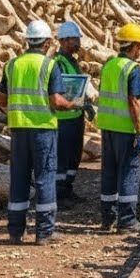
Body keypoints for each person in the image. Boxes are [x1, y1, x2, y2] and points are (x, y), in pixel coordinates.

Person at [0, 19, 81, 244]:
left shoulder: (12, 65)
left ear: (27, 41)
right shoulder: (49, 65)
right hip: (43, 129)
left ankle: (16, 231)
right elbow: (56, 101)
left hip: (18, 129)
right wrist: (74, 104)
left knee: (19, 179)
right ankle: (44, 232)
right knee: (45, 179)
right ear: (46, 43)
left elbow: (1, 99)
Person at [97, 23, 140, 233]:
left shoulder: (109, 65)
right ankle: (127, 221)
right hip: (126, 129)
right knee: (129, 171)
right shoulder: (132, 69)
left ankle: (108, 218)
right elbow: (133, 101)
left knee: (109, 171)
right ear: (135, 46)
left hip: (107, 127)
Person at [54, 21, 86, 202]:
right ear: (63, 41)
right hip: (63, 117)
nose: (77, 43)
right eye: (74, 39)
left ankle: (68, 188)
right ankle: (59, 193)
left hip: (75, 115)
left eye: (78, 39)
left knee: (74, 155)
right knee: (63, 157)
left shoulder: (72, 61)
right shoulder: (59, 63)